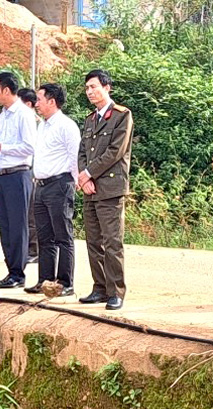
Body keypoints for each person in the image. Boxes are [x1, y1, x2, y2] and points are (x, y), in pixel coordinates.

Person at [77, 69, 134, 311]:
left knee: (112, 242)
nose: (90, 91)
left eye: (94, 87)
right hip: (91, 189)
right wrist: (83, 178)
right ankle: (99, 287)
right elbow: (82, 152)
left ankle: (116, 291)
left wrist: (89, 173)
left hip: (110, 188)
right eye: (87, 88)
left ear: (107, 87)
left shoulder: (121, 115)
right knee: (93, 241)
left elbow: (115, 151)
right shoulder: (90, 120)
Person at [24, 83, 80, 296]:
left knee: (63, 236)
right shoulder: (43, 126)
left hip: (60, 184)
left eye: (39, 99)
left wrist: (75, 183)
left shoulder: (66, 126)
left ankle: (65, 283)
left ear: (52, 101)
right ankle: (45, 280)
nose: (36, 104)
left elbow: (75, 157)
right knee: (44, 236)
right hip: (41, 186)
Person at [0, 72, 36, 289]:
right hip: (3, 175)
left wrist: (2, 148)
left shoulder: (24, 114)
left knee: (17, 225)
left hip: (18, 174)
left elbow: (30, 147)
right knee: (4, 225)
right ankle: (11, 270)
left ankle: (18, 273)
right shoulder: (3, 114)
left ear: (6, 90)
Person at [18, 87, 40, 263]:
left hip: (34, 172)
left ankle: (34, 250)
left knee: (32, 214)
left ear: (27, 104)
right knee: (24, 213)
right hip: (26, 172)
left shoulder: (38, 123)